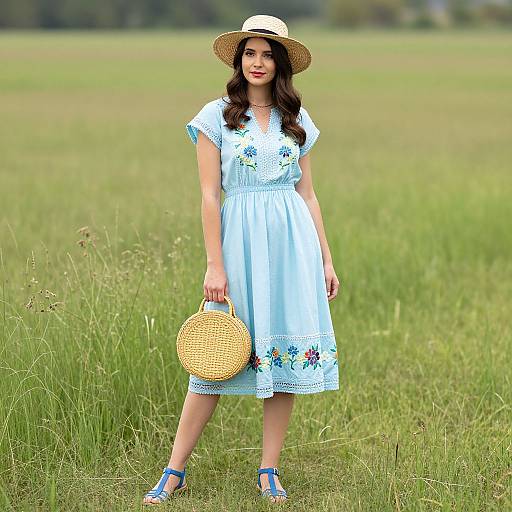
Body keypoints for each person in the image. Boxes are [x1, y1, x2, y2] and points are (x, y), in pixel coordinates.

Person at [143, 14, 341, 505]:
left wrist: (325, 259)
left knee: (282, 352)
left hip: (292, 242)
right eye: (250, 53)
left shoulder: (297, 119)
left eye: (268, 54)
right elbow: (210, 196)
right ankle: (174, 469)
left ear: (281, 64)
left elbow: (309, 195)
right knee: (213, 357)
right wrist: (215, 264)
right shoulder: (216, 116)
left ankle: (268, 469)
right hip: (238, 241)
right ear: (238, 60)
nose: (258, 62)